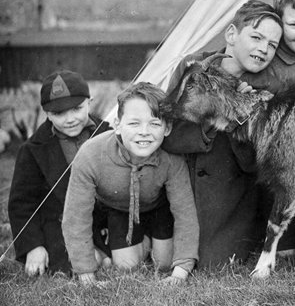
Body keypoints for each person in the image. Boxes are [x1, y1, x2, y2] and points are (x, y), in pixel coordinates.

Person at [162, 0, 283, 267]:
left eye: (272, 45)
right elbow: (168, 132)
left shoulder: (268, 86)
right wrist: (214, 119)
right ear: (231, 34)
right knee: (164, 256)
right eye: (256, 37)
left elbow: (255, 164)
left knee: (212, 263)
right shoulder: (193, 66)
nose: (263, 49)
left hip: (231, 198)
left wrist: (239, 124)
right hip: (183, 186)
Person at [62, 82, 199, 285]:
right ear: (117, 124)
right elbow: (75, 217)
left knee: (164, 263)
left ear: (167, 128)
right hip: (119, 208)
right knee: (126, 265)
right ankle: (140, 242)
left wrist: (180, 273)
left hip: (158, 208)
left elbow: (185, 213)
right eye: (134, 123)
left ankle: (156, 241)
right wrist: (86, 274)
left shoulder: (172, 159)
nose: (144, 132)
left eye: (155, 123)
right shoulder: (91, 154)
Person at [8, 70, 112, 276]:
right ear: (46, 113)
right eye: (59, 113)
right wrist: (32, 246)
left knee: (123, 259)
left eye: (76, 109)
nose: (70, 119)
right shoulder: (32, 150)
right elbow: (21, 204)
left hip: (104, 224)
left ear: (89, 102)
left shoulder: (109, 134)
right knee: (65, 266)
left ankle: (101, 252)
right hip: (59, 228)